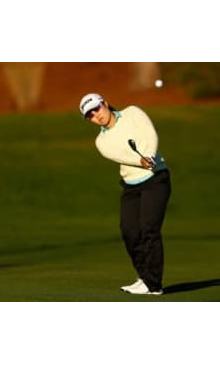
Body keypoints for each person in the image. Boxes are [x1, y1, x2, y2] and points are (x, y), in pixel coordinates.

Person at [79, 93, 171, 295]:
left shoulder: (133, 113)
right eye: (90, 115)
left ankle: (154, 285)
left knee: (149, 229)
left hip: (156, 180)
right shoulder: (102, 142)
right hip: (131, 186)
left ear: (105, 103)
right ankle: (144, 278)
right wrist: (140, 161)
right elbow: (123, 156)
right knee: (129, 231)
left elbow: (150, 134)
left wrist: (149, 156)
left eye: (96, 109)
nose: (96, 115)